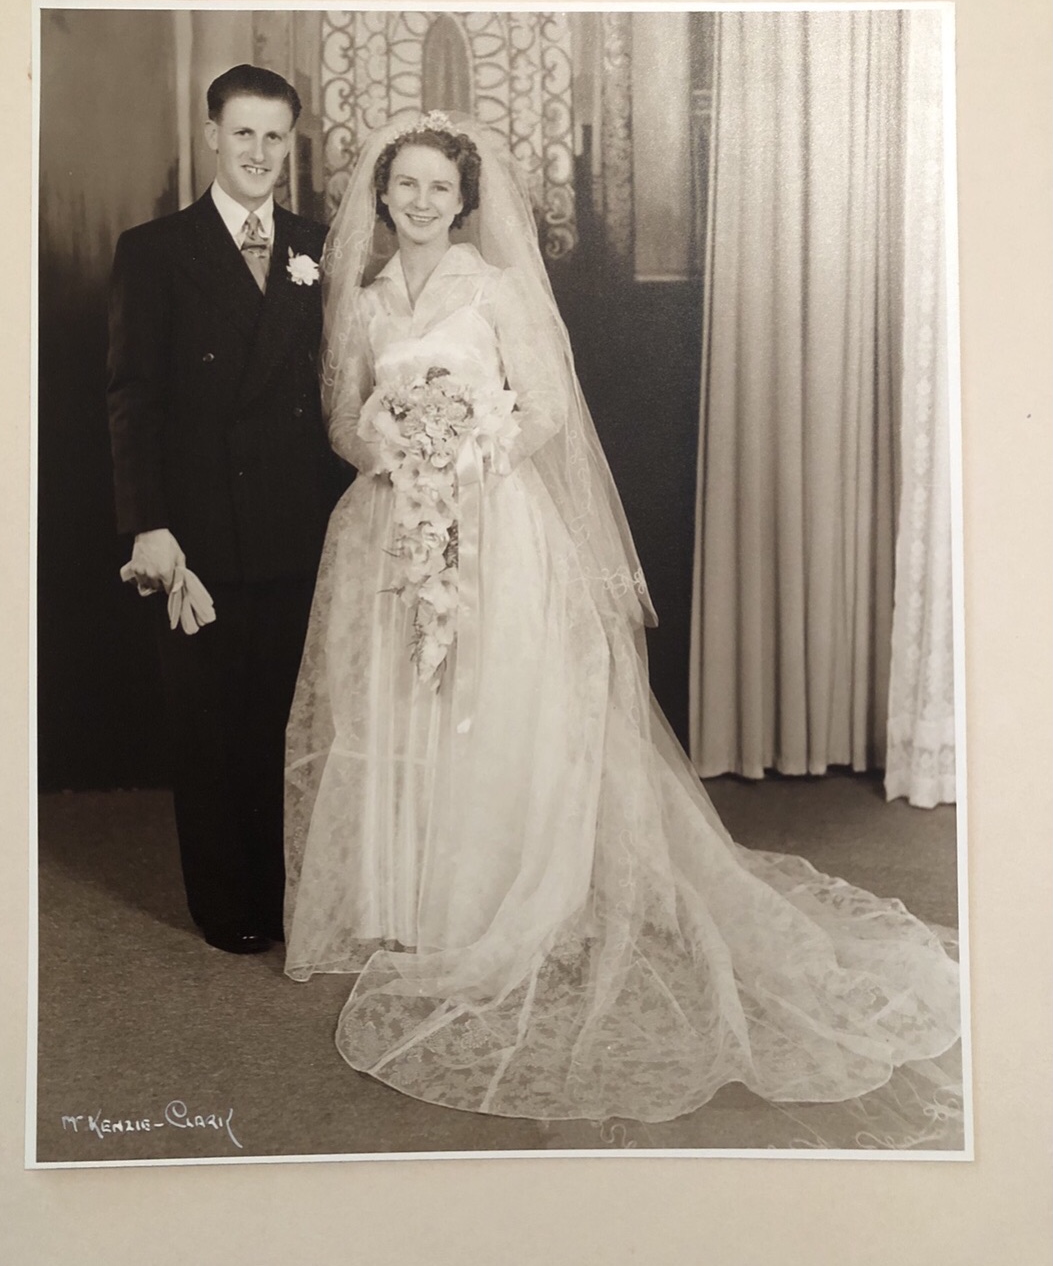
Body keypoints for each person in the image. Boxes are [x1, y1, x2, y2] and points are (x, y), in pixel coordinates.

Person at [281, 111, 961, 1136]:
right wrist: (394, 453)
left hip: (495, 521)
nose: (419, 202)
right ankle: (405, 904)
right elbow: (343, 416)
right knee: (399, 703)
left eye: (437, 188)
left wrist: (467, 452)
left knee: (488, 704)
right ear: (381, 196)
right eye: (403, 186)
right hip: (392, 527)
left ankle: (480, 905)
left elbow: (546, 405)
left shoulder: (493, 288)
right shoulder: (367, 298)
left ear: (463, 202)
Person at [108, 64, 341, 955]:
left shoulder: (318, 244)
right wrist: (148, 523)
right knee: (207, 726)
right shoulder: (155, 250)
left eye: (274, 136)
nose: (257, 152)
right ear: (211, 135)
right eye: (242, 132)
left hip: (295, 523)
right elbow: (133, 398)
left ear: (290, 146)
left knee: (284, 719)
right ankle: (225, 905)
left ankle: (283, 896)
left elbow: (337, 385)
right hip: (197, 531)